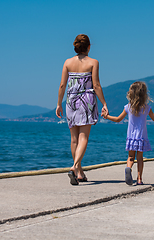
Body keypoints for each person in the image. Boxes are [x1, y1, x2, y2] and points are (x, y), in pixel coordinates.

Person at [56, 34, 108, 185]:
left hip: (71, 101)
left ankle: (79, 172)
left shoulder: (67, 62)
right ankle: (74, 167)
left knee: (73, 139)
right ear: (89, 47)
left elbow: (62, 85)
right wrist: (104, 103)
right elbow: (96, 85)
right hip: (86, 101)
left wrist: (59, 104)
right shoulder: (94, 62)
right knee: (83, 137)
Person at [103, 81, 154, 185]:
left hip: (131, 137)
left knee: (130, 157)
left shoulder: (128, 107)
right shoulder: (146, 108)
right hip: (141, 137)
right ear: (144, 94)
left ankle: (128, 168)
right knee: (140, 159)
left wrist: (106, 116)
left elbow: (117, 119)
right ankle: (139, 179)